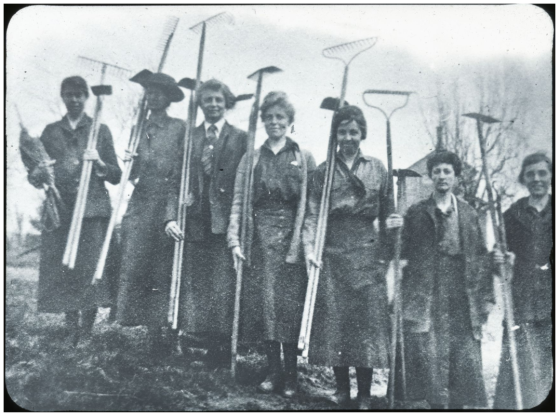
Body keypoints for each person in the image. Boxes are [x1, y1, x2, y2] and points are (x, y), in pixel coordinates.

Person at [303, 105, 400, 409]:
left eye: (353, 132)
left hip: (367, 252)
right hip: (332, 251)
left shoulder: (377, 168)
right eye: (342, 131)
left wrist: (385, 257)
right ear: (335, 134)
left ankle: (366, 393)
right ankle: (342, 389)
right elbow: (312, 215)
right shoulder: (323, 171)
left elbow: (388, 215)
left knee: (366, 325)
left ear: (362, 134)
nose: (348, 137)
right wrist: (310, 249)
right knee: (337, 323)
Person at [228, 91, 316, 398]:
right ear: (263, 121)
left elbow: (311, 206)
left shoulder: (303, 158)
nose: (275, 122)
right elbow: (239, 200)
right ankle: (273, 369)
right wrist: (235, 238)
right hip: (260, 240)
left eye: (281, 117)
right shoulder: (251, 158)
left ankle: (291, 375)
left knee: (289, 309)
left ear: (290, 122)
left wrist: (306, 245)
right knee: (265, 306)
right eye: (270, 117)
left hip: (291, 242)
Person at [28, 76, 122, 345]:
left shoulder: (99, 131)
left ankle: (87, 330)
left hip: (92, 211)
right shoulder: (50, 132)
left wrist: (100, 163)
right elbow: (36, 175)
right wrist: (38, 173)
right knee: (64, 268)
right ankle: (71, 328)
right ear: (62, 97)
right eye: (69, 94)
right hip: (61, 210)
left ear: (86, 97)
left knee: (88, 268)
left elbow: (116, 174)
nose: (75, 99)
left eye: (80, 94)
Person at [397, 150, 494, 409]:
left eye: (447, 171)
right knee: (430, 350)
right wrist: (392, 232)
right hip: (427, 290)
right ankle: (435, 406)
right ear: (430, 177)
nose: (441, 176)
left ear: (456, 177)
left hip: (460, 291)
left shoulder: (468, 212)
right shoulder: (416, 212)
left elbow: (481, 257)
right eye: (437, 171)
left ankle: (457, 407)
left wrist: (484, 301)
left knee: (461, 353)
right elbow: (401, 252)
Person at [165, 79, 248, 368]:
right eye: (208, 100)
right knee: (198, 287)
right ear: (200, 104)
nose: (213, 104)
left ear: (227, 103)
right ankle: (197, 343)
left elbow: (247, 183)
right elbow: (176, 179)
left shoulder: (240, 137)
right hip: (196, 222)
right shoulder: (190, 137)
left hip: (227, 224)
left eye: (218, 100)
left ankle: (222, 350)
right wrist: (171, 216)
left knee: (223, 287)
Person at [116, 72, 186, 354]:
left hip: (170, 202)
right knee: (140, 267)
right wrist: (129, 161)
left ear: (168, 97)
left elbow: (181, 171)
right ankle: (153, 333)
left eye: (158, 92)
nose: (153, 96)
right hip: (142, 203)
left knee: (166, 269)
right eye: (149, 91)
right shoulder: (139, 128)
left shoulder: (180, 128)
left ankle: (172, 333)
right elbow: (133, 175)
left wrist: (172, 211)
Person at [493, 152, 552, 409]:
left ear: (551, 175)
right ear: (523, 178)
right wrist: (498, 258)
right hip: (523, 298)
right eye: (531, 174)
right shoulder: (513, 214)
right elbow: (498, 258)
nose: (537, 179)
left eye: (542, 173)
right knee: (521, 364)